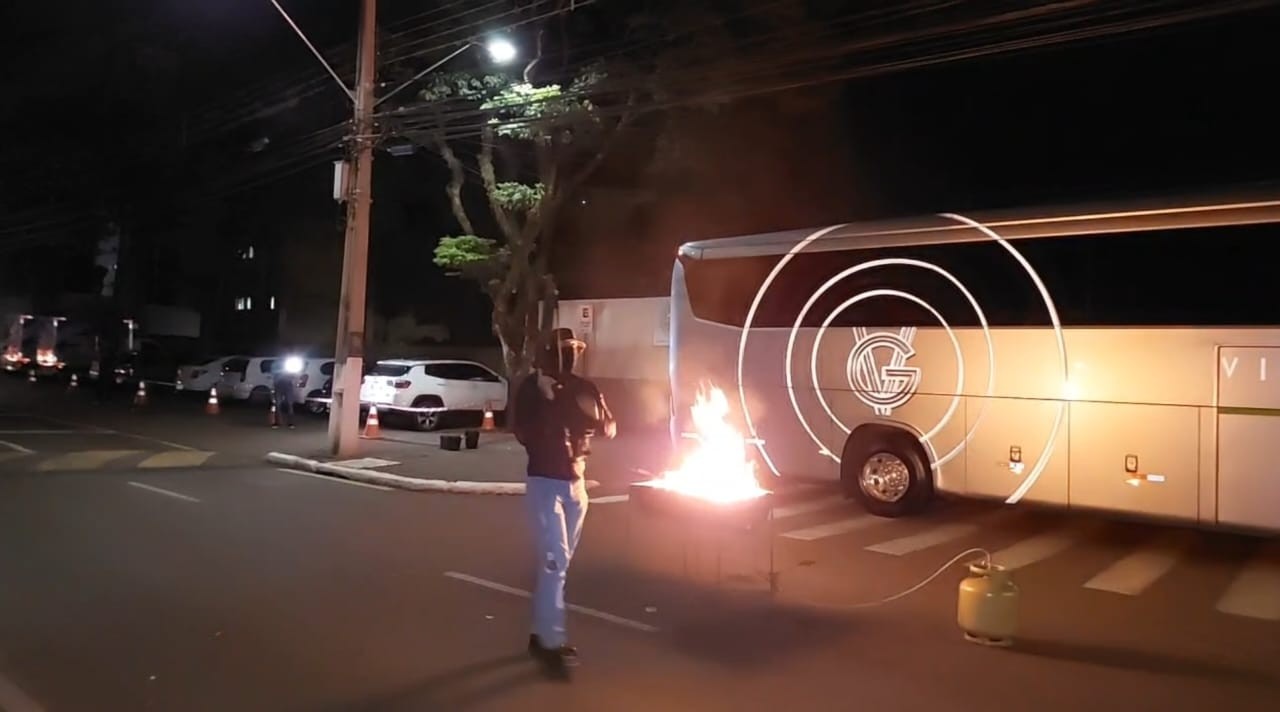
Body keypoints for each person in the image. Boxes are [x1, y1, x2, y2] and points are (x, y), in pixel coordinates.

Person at [514, 328, 616, 674]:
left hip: (577, 484)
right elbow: (523, 433)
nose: (569, 355)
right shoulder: (531, 388)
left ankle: (540, 634)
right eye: (563, 350)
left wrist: (590, 411)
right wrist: (547, 400)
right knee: (555, 562)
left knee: (559, 566)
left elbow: (608, 427)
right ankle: (551, 644)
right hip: (545, 482)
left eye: (573, 349)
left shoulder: (585, 387)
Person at [272, 356, 302, 429]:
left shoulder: (291, 365)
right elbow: (274, 374)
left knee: (289, 404)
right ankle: (277, 422)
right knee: (278, 404)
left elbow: (294, 375)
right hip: (279, 385)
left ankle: (290, 423)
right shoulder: (276, 364)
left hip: (288, 385)